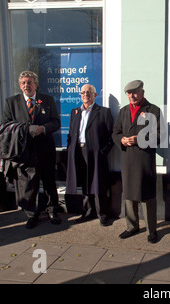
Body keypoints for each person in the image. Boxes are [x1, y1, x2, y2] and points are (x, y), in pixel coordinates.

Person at [0, 70, 61, 228]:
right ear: (20, 86)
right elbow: (5, 126)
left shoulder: (47, 100)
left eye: (30, 82)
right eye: (24, 83)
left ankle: (52, 210)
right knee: (28, 184)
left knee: (49, 182)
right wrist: (27, 129)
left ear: (36, 84)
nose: (27, 85)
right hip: (25, 152)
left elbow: (56, 122)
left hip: (46, 150)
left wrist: (44, 128)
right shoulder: (11, 102)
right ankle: (31, 214)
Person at [112, 80, 163, 244]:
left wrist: (139, 139)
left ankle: (151, 230)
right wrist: (122, 140)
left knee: (147, 195)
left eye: (134, 92)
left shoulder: (153, 110)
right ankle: (131, 226)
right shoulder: (124, 111)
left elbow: (160, 136)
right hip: (127, 159)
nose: (131, 96)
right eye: (128, 93)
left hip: (144, 159)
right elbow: (115, 132)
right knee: (128, 194)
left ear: (142, 92)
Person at [66, 84, 114, 226]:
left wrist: (102, 151)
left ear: (94, 95)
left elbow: (111, 135)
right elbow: (71, 133)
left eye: (89, 92)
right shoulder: (75, 112)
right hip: (79, 152)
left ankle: (103, 214)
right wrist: (70, 148)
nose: (85, 94)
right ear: (80, 95)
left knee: (98, 182)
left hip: (96, 153)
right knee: (85, 183)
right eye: (83, 92)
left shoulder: (103, 112)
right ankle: (88, 211)